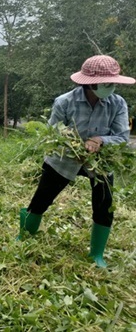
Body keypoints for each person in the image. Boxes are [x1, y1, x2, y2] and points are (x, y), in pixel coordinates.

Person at [18, 55, 135, 267]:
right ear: (90, 83)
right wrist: (73, 147)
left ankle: (97, 255)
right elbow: (52, 135)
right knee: (42, 198)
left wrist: (100, 140)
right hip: (64, 159)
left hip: (100, 161)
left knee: (104, 204)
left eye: (113, 83)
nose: (111, 87)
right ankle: (24, 236)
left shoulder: (118, 104)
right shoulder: (65, 102)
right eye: (106, 83)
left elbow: (122, 137)